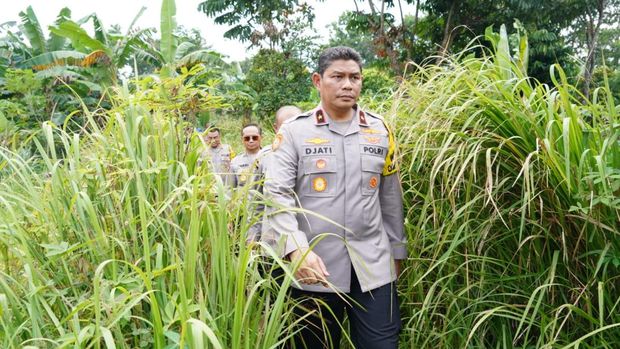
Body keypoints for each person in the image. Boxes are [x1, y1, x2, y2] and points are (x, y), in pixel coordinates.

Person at [264, 46, 407, 348]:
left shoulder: (380, 131)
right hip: (313, 270)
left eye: (354, 77)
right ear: (318, 81)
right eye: (337, 76)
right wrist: (296, 249)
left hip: (373, 267)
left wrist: (397, 253)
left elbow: (390, 199)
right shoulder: (293, 133)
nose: (347, 84)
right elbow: (277, 196)